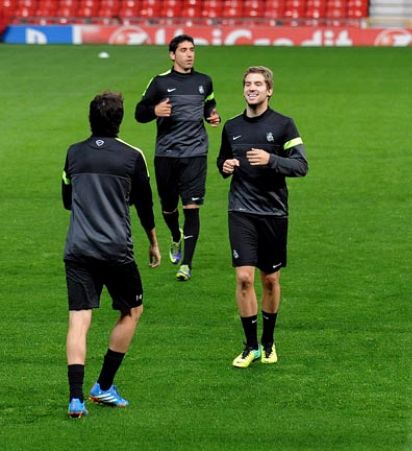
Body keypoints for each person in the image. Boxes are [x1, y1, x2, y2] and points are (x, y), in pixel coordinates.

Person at [62, 91, 161, 418]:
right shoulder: (132, 157)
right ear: (119, 120)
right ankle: (103, 386)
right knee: (132, 310)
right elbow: (145, 205)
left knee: (79, 318)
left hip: (78, 248)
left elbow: (66, 199)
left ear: (90, 118)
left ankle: (75, 398)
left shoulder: (73, 153)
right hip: (116, 250)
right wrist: (153, 241)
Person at [217, 66, 308, 368]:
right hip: (240, 210)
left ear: (269, 90)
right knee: (244, 277)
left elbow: (301, 166)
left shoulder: (284, 125)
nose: (251, 88)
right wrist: (226, 166)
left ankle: (268, 342)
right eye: (247, 84)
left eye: (258, 84)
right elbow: (221, 160)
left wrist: (272, 160)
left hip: (273, 212)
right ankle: (250, 345)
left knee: (270, 280)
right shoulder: (231, 127)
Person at [135, 34, 220, 281]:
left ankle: (187, 264)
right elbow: (139, 113)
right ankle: (175, 236)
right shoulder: (160, 83)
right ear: (172, 55)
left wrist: (212, 116)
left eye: (192, 49)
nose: (189, 54)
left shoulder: (205, 81)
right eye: (183, 50)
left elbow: (209, 106)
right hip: (166, 154)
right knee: (168, 207)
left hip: (195, 153)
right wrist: (154, 110)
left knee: (192, 208)